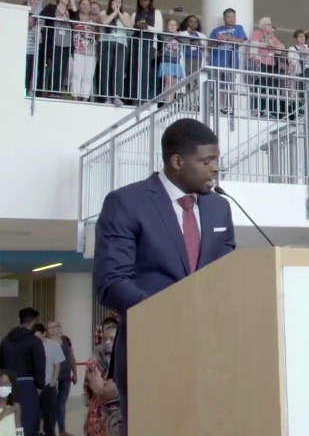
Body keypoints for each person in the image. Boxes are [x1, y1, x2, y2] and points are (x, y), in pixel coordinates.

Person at [94, 118, 236, 435]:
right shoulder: (126, 203)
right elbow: (111, 282)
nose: (215, 168)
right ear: (177, 161)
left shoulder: (219, 209)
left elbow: (228, 275)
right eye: (206, 161)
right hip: (151, 349)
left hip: (210, 352)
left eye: (216, 160)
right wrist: (171, 313)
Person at [0, 307, 45, 436]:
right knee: (29, 421)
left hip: (7, 385)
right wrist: (40, 385)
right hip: (28, 385)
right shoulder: (34, 341)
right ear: (33, 321)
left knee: (10, 420)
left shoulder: (5, 340)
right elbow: (39, 365)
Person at [84, 318, 120, 436]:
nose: (108, 342)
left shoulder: (126, 355)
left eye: (112, 339)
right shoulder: (98, 351)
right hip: (101, 401)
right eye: (105, 339)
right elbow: (91, 380)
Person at [209, 7, 248, 114]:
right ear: (224, 18)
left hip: (231, 62)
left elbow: (241, 41)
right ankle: (219, 107)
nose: (231, 19)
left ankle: (229, 107)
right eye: (229, 16)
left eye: (233, 16)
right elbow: (209, 45)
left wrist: (226, 38)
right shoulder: (216, 30)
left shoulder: (238, 28)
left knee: (229, 85)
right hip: (217, 61)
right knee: (217, 85)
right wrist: (218, 41)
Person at [40, 0, 77, 95]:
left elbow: (77, 22)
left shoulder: (71, 11)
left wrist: (74, 5)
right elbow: (42, 17)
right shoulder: (51, 7)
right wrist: (58, 19)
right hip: (53, 41)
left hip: (66, 43)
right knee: (53, 66)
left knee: (63, 67)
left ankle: (57, 91)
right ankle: (49, 90)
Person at [98, 0, 132, 106]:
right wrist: (113, 12)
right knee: (106, 69)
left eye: (119, 2)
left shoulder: (125, 14)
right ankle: (106, 96)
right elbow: (104, 22)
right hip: (106, 42)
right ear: (110, 2)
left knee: (118, 70)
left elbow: (128, 26)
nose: (117, 4)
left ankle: (116, 96)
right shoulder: (104, 12)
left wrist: (119, 13)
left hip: (121, 44)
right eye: (115, 1)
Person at [129, 0, 163, 102]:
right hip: (136, 43)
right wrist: (137, 26)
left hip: (149, 44)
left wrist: (147, 27)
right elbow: (130, 31)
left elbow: (159, 30)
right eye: (141, 0)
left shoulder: (156, 13)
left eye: (146, 0)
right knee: (135, 70)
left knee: (145, 71)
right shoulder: (135, 14)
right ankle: (134, 98)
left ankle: (143, 98)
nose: (144, 2)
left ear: (150, 0)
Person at [33, 323, 65, 436]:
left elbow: (57, 366)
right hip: (34, 387)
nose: (37, 339)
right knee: (35, 417)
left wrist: (52, 383)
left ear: (44, 333)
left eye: (38, 336)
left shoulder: (53, 345)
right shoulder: (31, 346)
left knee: (49, 419)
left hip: (48, 386)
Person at [45, 321, 77, 436]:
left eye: (55, 326)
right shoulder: (46, 343)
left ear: (60, 328)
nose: (53, 329)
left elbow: (71, 357)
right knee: (53, 406)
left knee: (61, 405)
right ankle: (51, 431)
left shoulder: (66, 341)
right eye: (50, 328)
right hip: (52, 379)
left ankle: (62, 431)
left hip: (66, 378)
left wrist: (75, 373)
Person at [250, 17, 285, 117]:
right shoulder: (257, 33)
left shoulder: (272, 36)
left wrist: (272, 44)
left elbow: (281, 48)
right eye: (267, 24)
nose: (269, 26)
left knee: (270, 87)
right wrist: (266, 44)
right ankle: (258, 109)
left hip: (271, 64)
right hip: (260, 62)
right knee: (260, 86)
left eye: (269, 24)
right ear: (262, 25)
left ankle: (268, 110)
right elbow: (253, 43)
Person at [71, 0, 100, 101]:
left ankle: (84, 98)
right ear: (80, 6)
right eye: (82, 4)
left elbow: (98, 35)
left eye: (87, 4)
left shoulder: (95, 20)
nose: (85, 6)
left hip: (91, 51)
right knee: (77, 74)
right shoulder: (75, 17)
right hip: (78, 50)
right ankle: (75, 97)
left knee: (88, 76)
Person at [157, 17, 185, 99]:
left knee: (174, 84)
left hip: (176, 61)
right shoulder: (164, 34)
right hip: (166, 60)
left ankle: (170, 101)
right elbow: (163, 38)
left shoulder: (180, 36)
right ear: (167, 26)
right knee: (168, 82)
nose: (172, 26)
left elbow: (186, 41)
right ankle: (166, 101)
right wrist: (174, 35)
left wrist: (177, 35)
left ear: (177, 26)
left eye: (174, 25)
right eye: (170, 25)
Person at [25, 0, 45, 94]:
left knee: (34, 71)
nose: (35, 1)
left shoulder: (43, 13)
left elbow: (42, 30)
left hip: (36, 47)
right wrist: (33, 13)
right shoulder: (24, 10)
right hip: (25, 47)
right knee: (25, 71)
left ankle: (31, 91)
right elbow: (28, 25)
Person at [0, 370, 21, 436]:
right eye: (0, 384)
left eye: (6, 383)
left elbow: (19, 428)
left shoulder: (16, 406)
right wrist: (2, 414)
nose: (3, 386)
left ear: (11, 385)